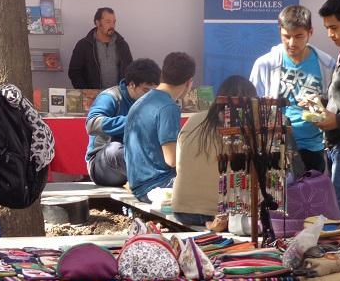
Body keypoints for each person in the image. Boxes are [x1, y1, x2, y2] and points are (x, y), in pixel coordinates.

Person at [249, 5, 335, 173]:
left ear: (311, 32)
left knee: (312, 197)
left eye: (299, 36)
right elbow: (252, 107)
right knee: (276, 198)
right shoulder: (264, 64)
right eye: (286, 36)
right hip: (274, 147)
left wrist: (320, 104)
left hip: (313, 147)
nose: (292, 43)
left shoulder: (327, 64)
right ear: (279, 31)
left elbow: (334, 107)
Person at [172, 76, 258, 226]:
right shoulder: (243, 131)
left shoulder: (194, 120)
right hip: (219, 213)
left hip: (182, 211)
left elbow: (179, 163)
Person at [124, 52, 195, 202]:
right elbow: (172, 160)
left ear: (163, 74)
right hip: (158, 185)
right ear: (189, 82)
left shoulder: (141, 101)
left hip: (138, 184)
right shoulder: (168, 107)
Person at [85, 58, 161, 187]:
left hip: (137, 162)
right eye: (146, 90)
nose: (150, 96)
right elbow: (92, 124)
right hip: (104, 166)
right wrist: (133, 121)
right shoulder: (110, 97)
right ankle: (155, 183)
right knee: (114, 150)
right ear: (131, 84)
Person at [317, 0, 340, 218]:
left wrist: (337, 120)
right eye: (327, 27)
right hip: (337, 143)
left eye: (334, 27)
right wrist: (320, 102)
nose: (330, 34)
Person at [68, 7, 133, 89]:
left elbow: (130, 71)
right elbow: (74, 72)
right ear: (97, 23)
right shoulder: (83, 45)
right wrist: (85, 90)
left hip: (117, 96)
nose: (112, 25)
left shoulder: (122, 45)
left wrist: (125, 91)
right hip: (93, 96)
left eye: (114, 22)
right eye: (108, 22)